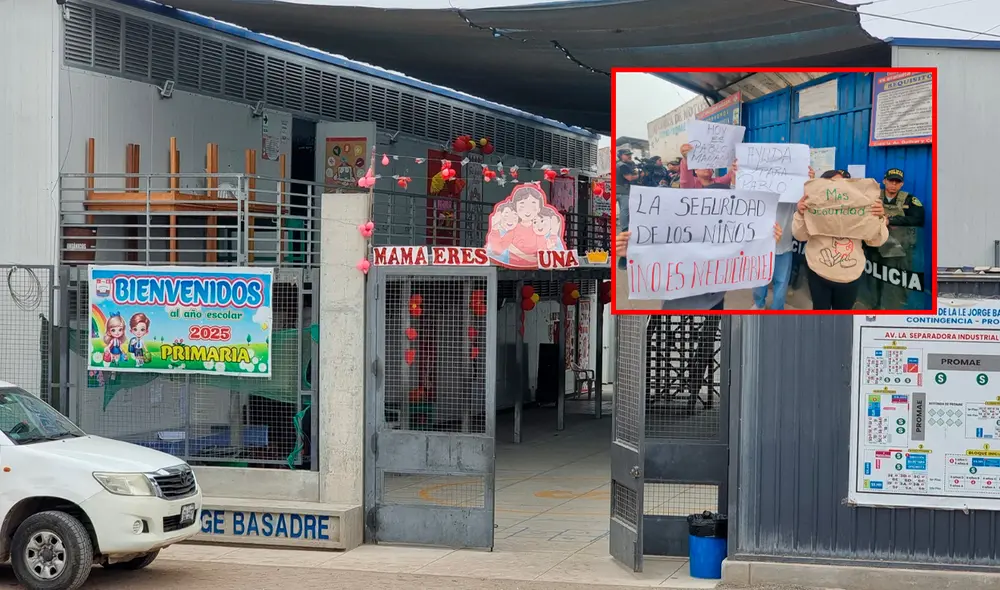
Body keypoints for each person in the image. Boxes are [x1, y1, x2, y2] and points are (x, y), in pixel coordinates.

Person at [616, 222, 784, 311]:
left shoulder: (728, 239)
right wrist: (629, 252)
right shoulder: (675, 232)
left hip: (714, 302)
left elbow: (746, 255)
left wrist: (766, 242)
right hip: (677, 306)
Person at [792, 170, 889, 310]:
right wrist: (801, 213)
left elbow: (876, 241)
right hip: (818, 272)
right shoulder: (812, 206)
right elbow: (799, 235)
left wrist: (878, 218)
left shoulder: (861, 208)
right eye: (834, 183)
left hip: (850, 276)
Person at [750, 167, 816, 310]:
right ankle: (759, 304)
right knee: (758, 280)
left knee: (781, 282)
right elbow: (740, 195)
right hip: (760, 246)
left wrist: (809, 183)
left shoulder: (792, 195)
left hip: (784, 247)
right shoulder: (757, 192)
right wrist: (738, 175)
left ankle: (777, 309)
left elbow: (802, 208)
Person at [866, 168, 925, 310]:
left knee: (896, 281)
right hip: (874, 246)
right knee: (873, 278)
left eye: (897, 182)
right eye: (890, 181)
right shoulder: (873, 197)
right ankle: (874, 305)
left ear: (901, 184)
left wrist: (890, 220)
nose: (893, 184)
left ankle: (895, 307)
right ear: (884, 181)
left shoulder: (909, 200)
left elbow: (918, 219)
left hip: (898, 250)